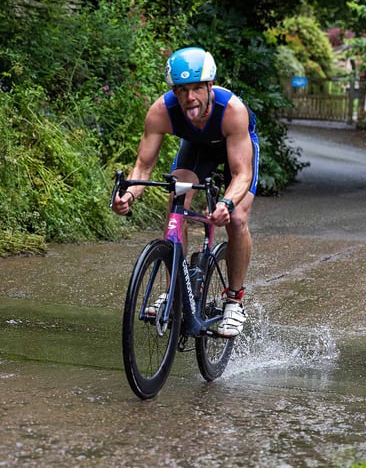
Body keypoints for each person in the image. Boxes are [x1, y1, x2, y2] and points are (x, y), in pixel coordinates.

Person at [111, 46, 259, 337]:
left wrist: (227, 203)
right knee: (176, 202)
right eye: (181, 90)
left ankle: (233, 301)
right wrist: (128, 195)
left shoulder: (232, 111)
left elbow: (242, 174)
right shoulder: (161, 111)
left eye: (196, 89)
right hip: (196, 149)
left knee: (238, 219)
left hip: (236, 150)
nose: (189, 98)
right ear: (174, 91)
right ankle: (174, 292)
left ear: (209, 86)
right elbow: (142, 168)